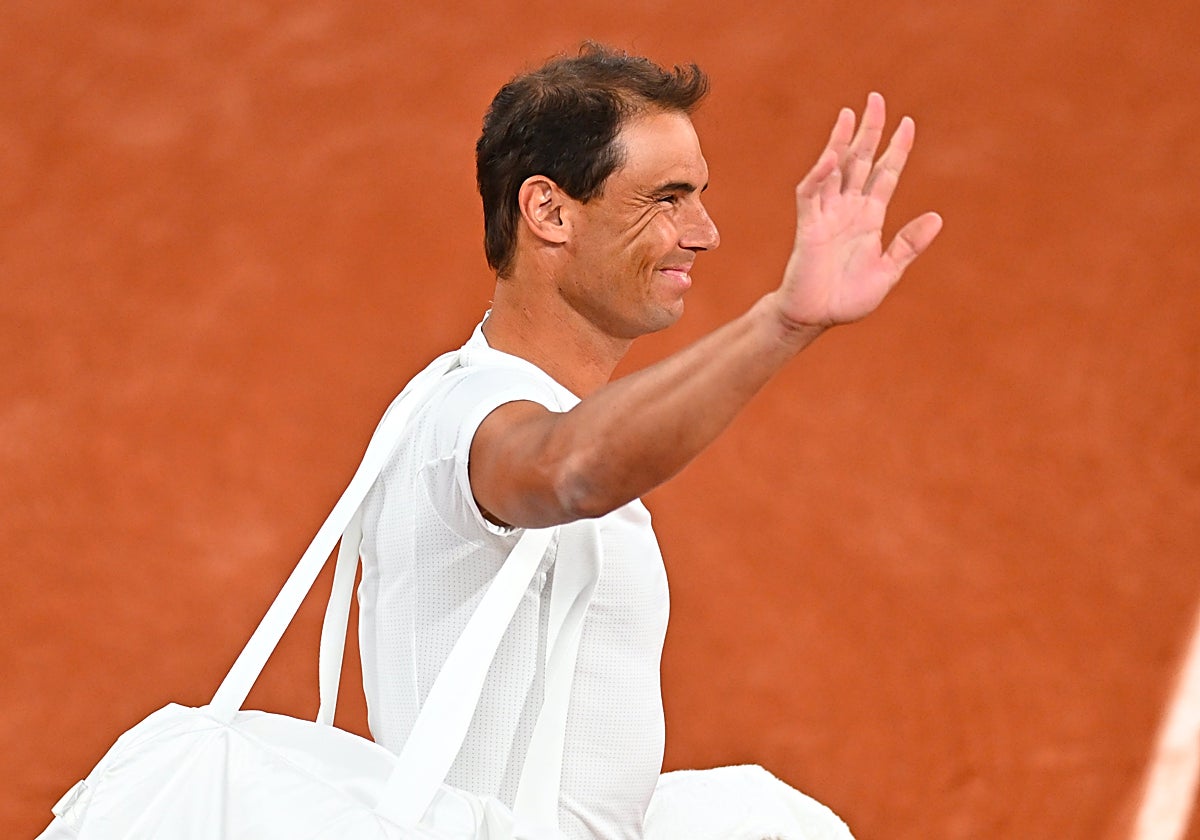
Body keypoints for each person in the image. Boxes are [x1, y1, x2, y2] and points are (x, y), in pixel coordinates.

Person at [357, 43, 942, 840]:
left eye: (699, 195)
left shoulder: (489, 389)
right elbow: (566, 469)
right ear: (549, 212)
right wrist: (783, 322)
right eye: (667, 198)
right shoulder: (468, 418)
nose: (704, 232)